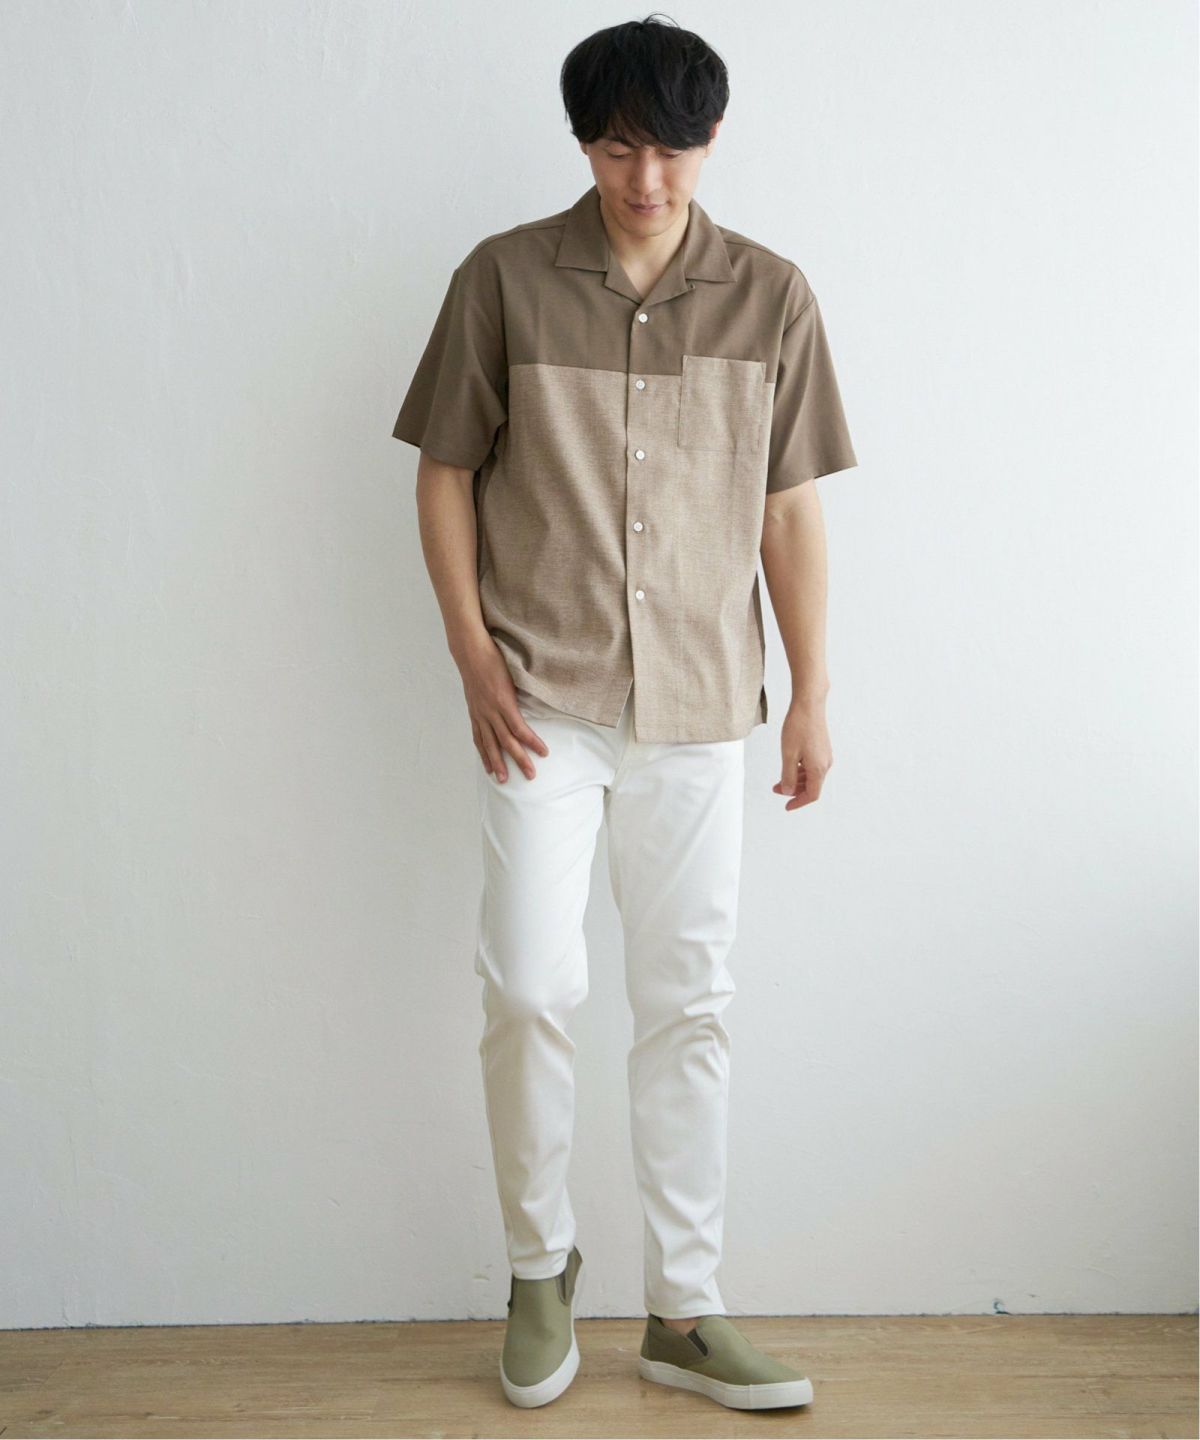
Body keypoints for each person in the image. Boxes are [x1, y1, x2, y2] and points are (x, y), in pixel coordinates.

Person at [391, 12, 857, 1412]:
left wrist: (812, 692)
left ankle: (685, 1311)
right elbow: (444, 471)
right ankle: (540, 1271)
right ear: (583, 142)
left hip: (703, 706)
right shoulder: (503, 280)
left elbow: (788, 510)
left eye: (671, 149)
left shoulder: (771, 296)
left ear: (712, 141)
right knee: (530, 985)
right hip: (541, 697)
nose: (644, 179)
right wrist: (469, 653)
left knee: (688, 1004)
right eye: (614, 147)